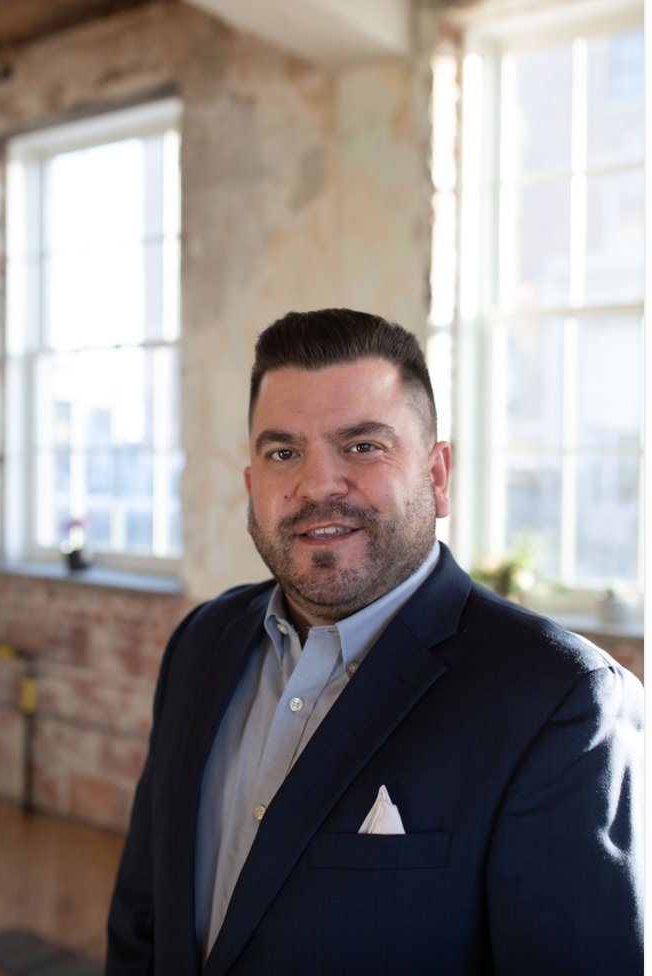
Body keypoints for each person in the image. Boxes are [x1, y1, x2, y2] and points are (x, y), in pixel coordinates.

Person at [106, 309, 643, 976]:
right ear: (252, 486)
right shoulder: (200, 642)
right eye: (283, 453)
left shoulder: (557, 701)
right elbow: (144, 911)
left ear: (438, 476)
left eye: (362, 446)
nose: (318, 485)